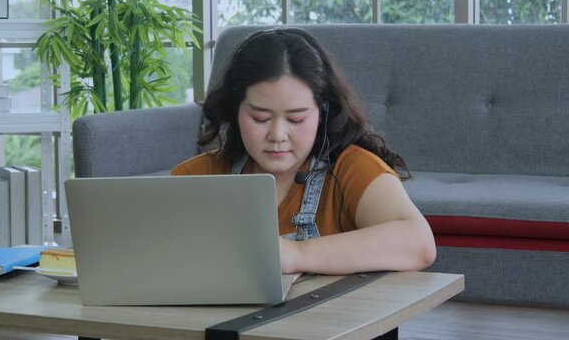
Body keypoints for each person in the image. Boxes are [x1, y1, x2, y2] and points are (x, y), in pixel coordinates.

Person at [171, 28, 436, 275]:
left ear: (323, 111)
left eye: (296, 119)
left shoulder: (353, 170)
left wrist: (296, 254)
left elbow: (419, 243)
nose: (277, 135)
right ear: (235, 109)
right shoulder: (199, 176)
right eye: (260, 118)